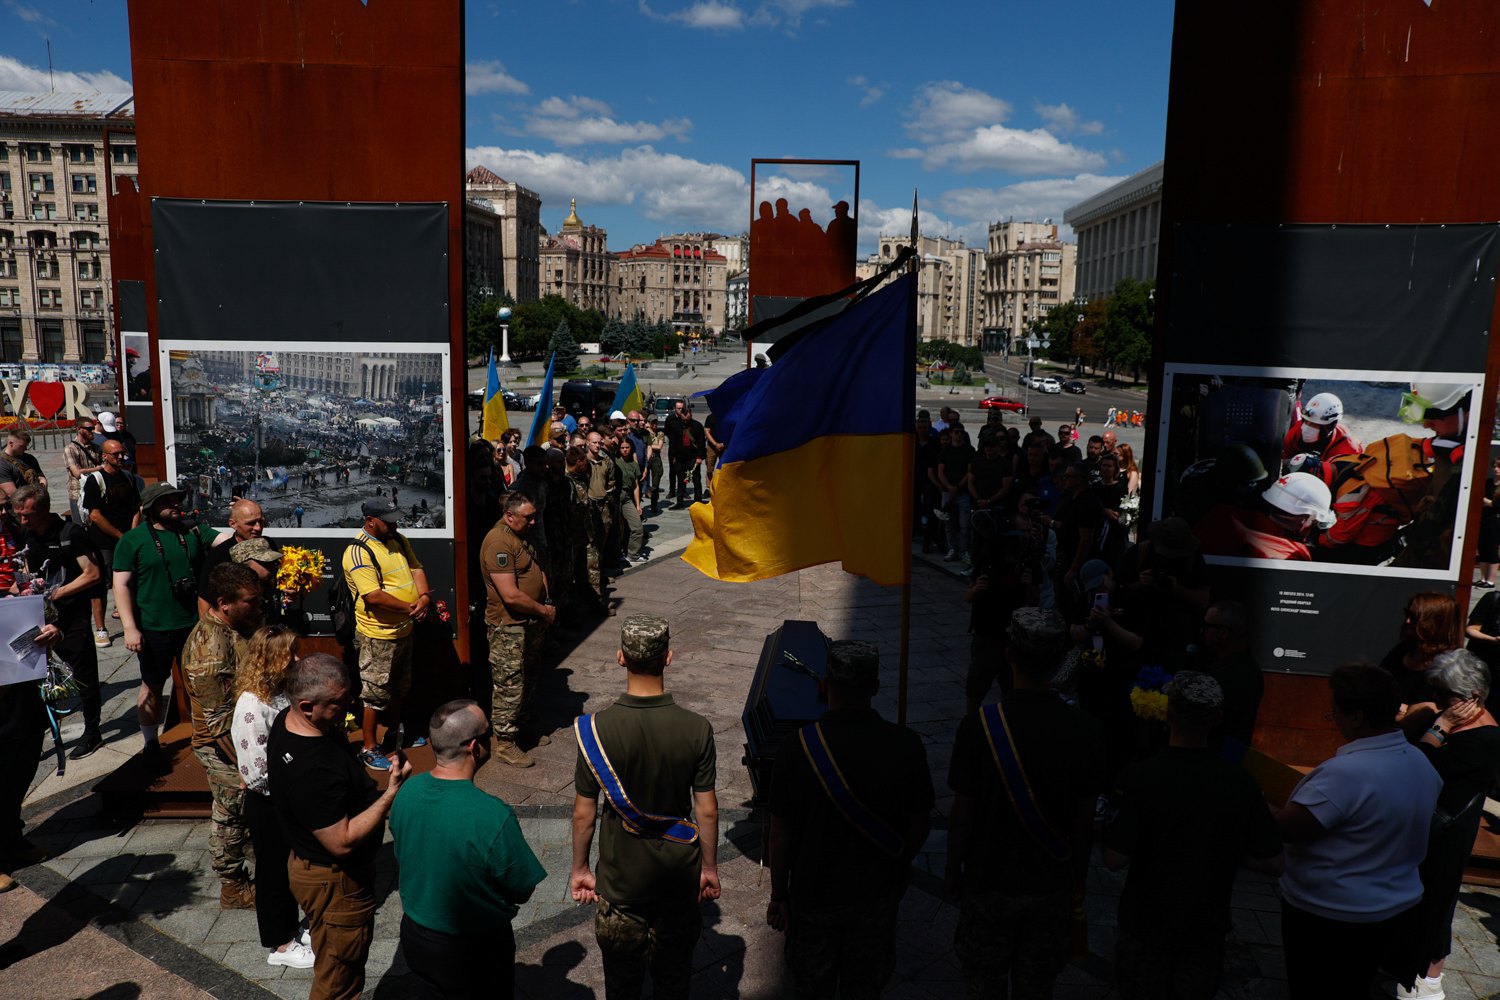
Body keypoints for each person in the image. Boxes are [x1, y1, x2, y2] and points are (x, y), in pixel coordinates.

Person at [946, 608, 1105, 998]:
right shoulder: (1086, 730)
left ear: (1008, 654)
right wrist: (1079, 880)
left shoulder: (978, 727)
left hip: (988, 881)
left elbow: (962, 814)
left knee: (984, 987)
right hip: (1050, 883)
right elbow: (1086, 820)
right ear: (1057, 660)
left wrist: (953, 870)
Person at [766, 640, 933, 998]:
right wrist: (898, 862)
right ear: (874, 687)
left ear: (824, 684)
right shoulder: (907, 745)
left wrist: (780, 894)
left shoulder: (797, 747)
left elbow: (780, 833)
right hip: (875, 895)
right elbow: (920, 824)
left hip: (813, 895)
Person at [1104, 672, 1284, 998]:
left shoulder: (1140, 777)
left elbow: (1114, 858)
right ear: (1216, 719)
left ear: (1169, 713)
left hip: (1145, 924)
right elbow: (1273, 862)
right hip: (1205, 928)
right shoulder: (1240, 783)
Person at [570, 614, 719, 1000]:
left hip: (620, 886)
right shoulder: (697, 728)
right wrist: (709, 867)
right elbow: (706, 810)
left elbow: (584, 813)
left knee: (622, 989)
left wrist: (581, 869)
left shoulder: (595, 730)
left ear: (620, 657)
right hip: (678, 880)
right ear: (668, 657)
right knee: (674, 987)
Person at [1273, 664, 1441, 999]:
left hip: (1329, 913)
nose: (1332, 719)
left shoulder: (1346, 773)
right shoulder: (1419, 762)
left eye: (1333, 712)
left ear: (1357, 717)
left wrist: (1250, 794)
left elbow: (1289, 828)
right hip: (1386, 909)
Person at [270, 653, 410, 1000]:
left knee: (333, 958)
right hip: (336, 883)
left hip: (315, 871)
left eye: (349, 698)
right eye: (338, 704)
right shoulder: (311, 769)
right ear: (306, 705)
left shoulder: (292, 724)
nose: (348, 710)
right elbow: (341, 841)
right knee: (339, 981)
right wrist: (391, 792)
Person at [390, 699, 546, 1000]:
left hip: (416, 936)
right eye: (490, 733)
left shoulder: (407, 791)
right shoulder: (491, 814)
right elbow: (522, 888)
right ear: (474, 747)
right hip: (474, 948)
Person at [1386, 650, 1500, 1000]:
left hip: (1445, 837)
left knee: (1434, 902)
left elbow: (1417, 768)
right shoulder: (1440, 718)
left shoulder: (1482, 739)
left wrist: (1440, 727)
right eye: (1433, 691)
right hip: (1422, 827)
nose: (1435, 700)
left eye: (1443, 695)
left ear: (1472, 699)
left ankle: (1425, 980)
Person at [231, 624, 314, 969]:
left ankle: (297, 925)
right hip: (270, 802)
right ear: (271, 659)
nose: (298, 658)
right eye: (290, 653)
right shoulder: (252, 706)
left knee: (294, 865)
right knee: (273, 872)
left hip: (289, 797)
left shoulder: (280, 693)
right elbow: (255, 771)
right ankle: (280, 945)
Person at [182, 562, 264, 909]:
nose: (257, 606)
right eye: (250, 601)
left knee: (245, 811)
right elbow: (218, 724)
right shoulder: (209, 651)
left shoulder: (236, 626)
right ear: (223, 602)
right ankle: (234, 887)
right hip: (224, 749)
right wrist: (246, 769)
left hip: (242, 739)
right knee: (230, 814)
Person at [113, 482, 214, 762]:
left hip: (192, 625)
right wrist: (130, 628)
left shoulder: (192, 530)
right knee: (152, 685)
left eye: (177, 499)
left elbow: (223, 542)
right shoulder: (132, 540)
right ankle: (150, 742)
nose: (176, 504)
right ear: (150, 508)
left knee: (201, 683)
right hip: (154, 626)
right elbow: (120, 584)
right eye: (167, 501)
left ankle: (205, 736)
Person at [12, 485, 104, 760]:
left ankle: (92, 733)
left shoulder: (70, 533)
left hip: (71, 616)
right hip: (38, 616)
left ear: (43, 509)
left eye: (27, 515)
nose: (22, 521)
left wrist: (57, 593)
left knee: (84, 675)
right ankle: (41, 734)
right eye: (19, 515)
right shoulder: (27, 533)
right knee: (36, 677)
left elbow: (93, 574)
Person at [341, 497, 431, 771]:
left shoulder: (399, 539)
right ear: (370, 521)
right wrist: (411, 608)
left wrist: (424, 597)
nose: (394, 524)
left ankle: (394, 732)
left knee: (400, 685)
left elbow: (416, 568)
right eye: (388, 520)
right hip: (377, 634)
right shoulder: (358, 552)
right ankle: (369, 746)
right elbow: (373, 597)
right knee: (375, 692)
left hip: (404, 629)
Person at [479, 491, 556, 768]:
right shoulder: (498, 542)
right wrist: (543, 611)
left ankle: (521, 726)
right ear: (510, 516)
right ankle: (505, 742)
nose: (534, 522)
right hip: (509, 627)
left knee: (529, 677)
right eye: (528, 517)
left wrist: (545, 602)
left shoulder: (521, 535)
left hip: (530, 623)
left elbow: (537, 569)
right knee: (509, 683)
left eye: (534, 516)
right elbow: (510, 595)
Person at [0, 607, 66, 887]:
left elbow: (35, 630)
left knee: (19, 772)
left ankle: (12, 841)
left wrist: (53, 634)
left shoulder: (12, 595)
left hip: (20, 698)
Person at [80, 439, 140, 647]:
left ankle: (129, 622)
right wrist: (120, 536)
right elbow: (95, 515)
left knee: (129, 580)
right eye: (116, 454)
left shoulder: (128, 478)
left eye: (122, 453)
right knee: (101, 585)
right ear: (104, 456)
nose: (121, 457)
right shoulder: (95, 480)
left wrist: (131, 534)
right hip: (103, 541)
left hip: (126, 538)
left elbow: (135, 509)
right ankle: (100, 628)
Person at [1381, 592, 1463, 715]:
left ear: (1436, 623)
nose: (1407, 621)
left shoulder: (1451, 667)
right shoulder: (1401, 651)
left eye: (1414, 617)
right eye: (1407, 614)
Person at [1200, 600, 1264, 747]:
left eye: (1207, 626)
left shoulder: (1220, 677)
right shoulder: (1252, 670)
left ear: (1223, 632)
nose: (1203, 631)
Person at [1282, 392, 1362, 462]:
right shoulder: (1298, 429)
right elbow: (1283, 455)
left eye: (1314, 425)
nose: (1306, 429)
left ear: (1330, 426)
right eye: (1306, 422)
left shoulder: (1349, 449)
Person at [62, 416, 102, 525]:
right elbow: (77, 473)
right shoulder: (70, 449)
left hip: (96, 492)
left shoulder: (97, 448)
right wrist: (98, 469)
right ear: (79, 429)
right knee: (80, 527)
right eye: (89, 429)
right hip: (78, 493)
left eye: (93, 428)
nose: (92, 431)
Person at [615, 437, 646, 563]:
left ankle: (633, 555)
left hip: (627, 497)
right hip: (617, 495)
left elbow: (635, 486)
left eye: (627, 447)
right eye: (622, 448)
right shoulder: (616, 461)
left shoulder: (634, 465)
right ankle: (617, 554)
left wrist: (638, 505)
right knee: (617, 529)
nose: (625, 450)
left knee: (637, 527)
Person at [0, 427, 45, 497]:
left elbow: (41, 478)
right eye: (22, 446)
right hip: (16, 505)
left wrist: (42, 489)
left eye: (26, 446)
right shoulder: (2, 463)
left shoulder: (30, 458)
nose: (26, 449)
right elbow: (11, 492)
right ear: (11, 443)